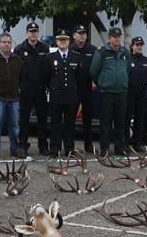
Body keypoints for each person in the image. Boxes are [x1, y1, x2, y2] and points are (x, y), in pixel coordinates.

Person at [90, 26, 130, 157]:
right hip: (106, 93)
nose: (117, 39)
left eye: (119, 37)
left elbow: (127, 70)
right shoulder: (101, 52)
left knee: (120, 123)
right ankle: (104, 148)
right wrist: (103, 83)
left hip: (121, 93)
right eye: (114, 37)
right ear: (109, 38)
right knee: (105, 123)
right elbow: (93, 72)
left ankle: (120, 148)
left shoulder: (125, 52)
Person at [44, 28, 83, 157]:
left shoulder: (76, 57)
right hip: (56, 97)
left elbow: (79, 77)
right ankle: (54, 149)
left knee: (70, 125)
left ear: (69, 41)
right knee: (55, 124)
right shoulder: (50, 58)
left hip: (71, 97)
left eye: (65, 40)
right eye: (60, 40)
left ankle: (69, 149)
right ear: (56, 41)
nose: (62, 42)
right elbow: (46, 77)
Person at [14, 22, 50, 155]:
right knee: (24, 119)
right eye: (31, 31)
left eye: (35, 31)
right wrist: (18, 87)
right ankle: (22, 146)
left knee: (42, 119)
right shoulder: (19, 49)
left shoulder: (44, 48)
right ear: (27, 33)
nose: (33, 34)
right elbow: (16, 71)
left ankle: (43, 146)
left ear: (38, 33)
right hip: (25, 89)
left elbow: (47, 69)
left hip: (40, 89)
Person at [70, 25, 96, 153]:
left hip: (87, 89)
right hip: (73, 90)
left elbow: (97, 69)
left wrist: (95, 81)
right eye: (79, 33)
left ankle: (88, 145)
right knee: (70, 119)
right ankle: (70, 146)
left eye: (84, 33)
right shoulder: (69, 49)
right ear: (74, 36)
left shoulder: (93, 50)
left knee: (88, 119)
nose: (82, 36)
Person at [127, 36, 147, 151]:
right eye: (137, 45)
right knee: (126, 119)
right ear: (132, 46)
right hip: (129, 94)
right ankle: (125, 144)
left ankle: (138, 143)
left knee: (139, 119)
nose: (139, 47)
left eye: (141, 45)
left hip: (141, 94)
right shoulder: (127, 59)